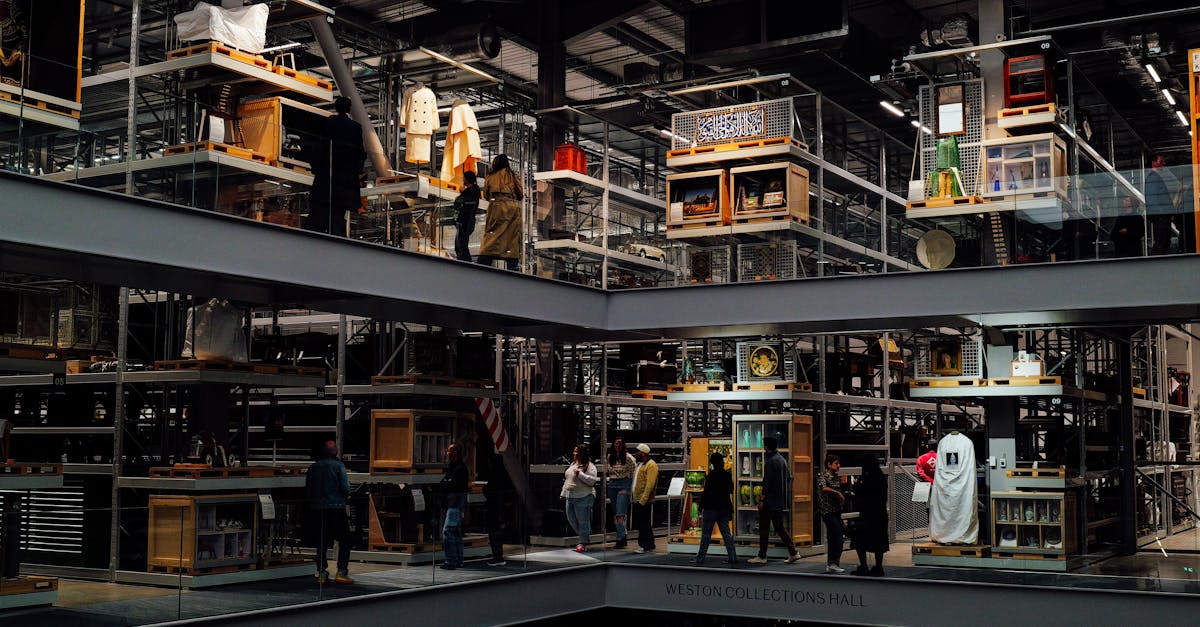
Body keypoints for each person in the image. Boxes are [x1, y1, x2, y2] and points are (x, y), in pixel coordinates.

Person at [304, 96, 365, 236]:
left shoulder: (328, 123)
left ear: (336, 108)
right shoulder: (355, 127)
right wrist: (356, 171)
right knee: (339, 210)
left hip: (327, 174)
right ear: (349, 108)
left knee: (322, 208)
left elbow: (319, 146)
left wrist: (316, 167)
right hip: (345, 178)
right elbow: (359, 152)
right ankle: (337, 232)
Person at [306, 440, 353, 584]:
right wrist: (346, 497)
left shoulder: (313, 468)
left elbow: (308, 490)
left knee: (322, 542)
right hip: (337, 508)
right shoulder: (339, 466)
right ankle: (341, 572)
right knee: (345, 541)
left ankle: (321, 573)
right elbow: (346, 488)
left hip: (318, 509)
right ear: (335, 452)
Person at [748, 437, 799, 565]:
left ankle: (762, 555)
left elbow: (767, 482)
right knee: (779, 527)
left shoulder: (770, 461)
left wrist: (762, 499)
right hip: (779, 500)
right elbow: (789, 478)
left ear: (766, 447)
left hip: (770, 501)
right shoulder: (782, 460)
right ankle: (793, 552)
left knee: (764, 528)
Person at [477, 154, 523, 270]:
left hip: (496, 205)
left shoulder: (490, 177)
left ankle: (484, 261)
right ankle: (512, 264)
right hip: (513, 207)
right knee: (511, 237)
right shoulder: (513, 176)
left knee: (492, 233)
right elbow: (520, 194)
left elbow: (486, 194)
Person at [693, 451, 738, 566]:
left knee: (706, 534)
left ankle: (700, 558)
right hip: (723, 507)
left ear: (712, 463)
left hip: (710, 508)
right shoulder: (727, 475)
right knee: (726, 534)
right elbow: (730, 490)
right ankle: (732, 557)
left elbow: (706, 492)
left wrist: (700, 506)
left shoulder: (711, 475)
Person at [851, 454, 890, 577]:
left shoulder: (866, 479)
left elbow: (861, 494)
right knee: (878, 541)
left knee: (860, 540)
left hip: (867, 515)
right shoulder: (881, 478)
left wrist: (857, 486)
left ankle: (863, 566)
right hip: (880, 514)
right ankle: (878, 566)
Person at [561, 444, 599, 553]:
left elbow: (592, 481)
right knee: (571, 519)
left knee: (583, 521)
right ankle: (584, 535)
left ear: (582, 454)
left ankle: (583, 542)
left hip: (584, 496)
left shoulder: (590, 466)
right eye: (574, 451)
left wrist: (580, 474)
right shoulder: (573, 464)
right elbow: (568, 480)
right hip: (570, 497)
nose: (574, 453)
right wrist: (563, 493)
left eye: (576, 452)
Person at [440, 443, 469, 569]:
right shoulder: (454, 467)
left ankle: (451, 560)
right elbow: (445, 482)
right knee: (456, 532)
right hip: (455, 503)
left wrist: (445, 484)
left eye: (450, 451)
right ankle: (458, 559)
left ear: (455, 453)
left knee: (448, 531)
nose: (447, 454)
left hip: (455, 504)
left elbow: (450, 484)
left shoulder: (459, 469)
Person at [815, 453, 844, 573]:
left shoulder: (837, 477)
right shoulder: (823, 476)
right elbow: (824, 488)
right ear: (828, 464)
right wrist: (837, 493)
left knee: (838, 537)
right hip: (827, 511)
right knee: (835, 536)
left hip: (836, 510)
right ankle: (832, 562)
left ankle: (834, 562)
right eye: (836, 463)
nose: (838, 466)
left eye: (839, 463)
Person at [606, 438, 636, 549]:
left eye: (620, 444)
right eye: (616, 443)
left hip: (624, 484)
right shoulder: (610, 457)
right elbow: (608, 470)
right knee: (617, 513)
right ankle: (623, 535)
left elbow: (634, 471)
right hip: (613, 484)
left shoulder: (628, 458)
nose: (617, 445)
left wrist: (630, 487)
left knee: (620, 513)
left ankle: (620, 538)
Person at [483, 453, 511, 566]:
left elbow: (489, 490)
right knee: (496, 532)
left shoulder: (495, 475)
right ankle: (498, 555)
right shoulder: (504, 474)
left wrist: (486, 490)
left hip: (494, 507)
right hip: (500, 508)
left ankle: (497, 556)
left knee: (494, 532)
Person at [631, 443, 659, 554]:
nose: (636, 453)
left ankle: (644, 545)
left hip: (643, 500)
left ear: (643, 453)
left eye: (638, 451)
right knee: (643, 523)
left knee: (643, 523)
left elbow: (649, 484)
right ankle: (649, 544)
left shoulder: (651, 465)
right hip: (638, 498)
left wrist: (643, 499)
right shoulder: (641, 464)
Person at [1145, 154, 1175, 255]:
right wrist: (1161, 214)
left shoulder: (1154, 178)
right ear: (1153, 163)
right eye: (1161, 161)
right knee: (1162, 241)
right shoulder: (1153, 178)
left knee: (1163, 241)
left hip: (1161, 216)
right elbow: (1153, 198)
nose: (1164, 163)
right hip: (1161, 216)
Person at [453, 170, 481, 262]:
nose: (462, 179)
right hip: (469, 221)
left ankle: (465, 263)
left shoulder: (470, 191)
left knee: (460, 245)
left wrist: (461, 194)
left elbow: (458, 202)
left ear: (467, 179)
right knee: (462, 244)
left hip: (465, 221)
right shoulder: (476, 190)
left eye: (463, 178)